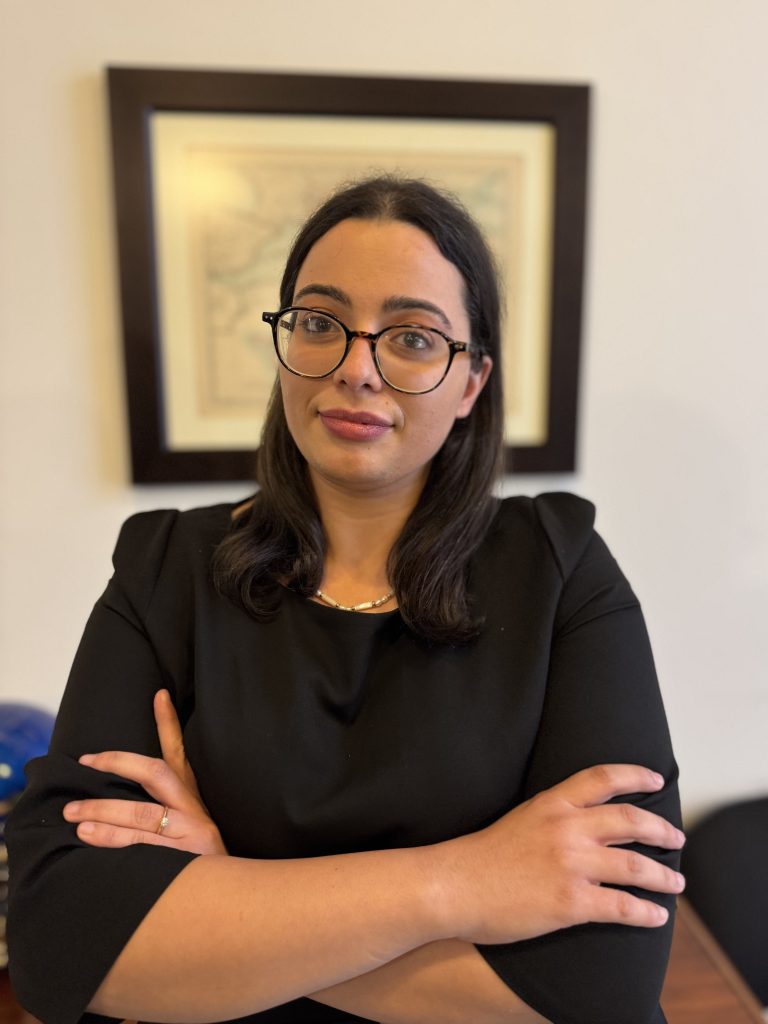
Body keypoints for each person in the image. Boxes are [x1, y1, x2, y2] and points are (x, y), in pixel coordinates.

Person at [6, 175, 684, 1024]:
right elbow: (59, 942)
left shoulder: (560, 569)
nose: (357, 369)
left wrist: (225, 897)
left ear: (471, 382)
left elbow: (602, 985)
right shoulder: (167, 569)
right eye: (321, 323)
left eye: (413, 338)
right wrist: (462, 883)